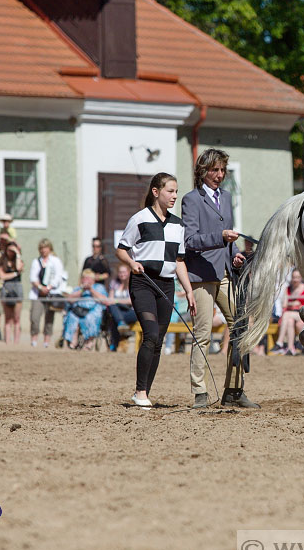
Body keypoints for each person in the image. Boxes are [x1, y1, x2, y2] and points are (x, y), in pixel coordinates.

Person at [181, 148, 255, 409]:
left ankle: (234, 390)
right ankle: (200, 391)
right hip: (201, 275)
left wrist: (235, 253)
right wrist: (220, 238)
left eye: (223, 170)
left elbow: (229, 239)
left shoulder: (226, 197)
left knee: (239, 327)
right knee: (202, 333)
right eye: (215, 170)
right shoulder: (191, 200)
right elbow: (190, 240)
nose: (220, 175)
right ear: (203, 171)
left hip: (224, 272)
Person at [116, 172, 196, 409]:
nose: (174, 196)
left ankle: (145, 392)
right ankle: (140, 391)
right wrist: (132, 263)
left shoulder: (178, 224)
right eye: (170, 191)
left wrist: (189, 291)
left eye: (176, 191)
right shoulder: (139, 219)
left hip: (167, 285)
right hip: (143, 283)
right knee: (150, 333)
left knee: (158, 340)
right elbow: (121, 249)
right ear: (156, 192)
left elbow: (179, 261)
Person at [28, 238, 65, 348]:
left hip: (51, 293)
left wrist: (49, 287)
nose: (43, 250)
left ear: (50, 248)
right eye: (42, 248)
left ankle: (46, 341)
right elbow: (32, 277)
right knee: (35, 317)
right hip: (38, 294)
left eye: (45, 248)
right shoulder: (36, 261)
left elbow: (58, 276)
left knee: (49, 318)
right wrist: (40, 287)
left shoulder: (55, 261)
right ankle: (34, 339)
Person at [61, 269, 108, 349]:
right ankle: (73, 340)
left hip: (93, 310)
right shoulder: (78, 289)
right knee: (72, 317)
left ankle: (89, 341)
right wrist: (82, 290)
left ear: (93, 279)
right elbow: (69, 299)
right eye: (84, 278)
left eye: (89, 278)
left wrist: (91, 290)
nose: (86, 280)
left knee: (90, 317)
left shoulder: (99, 287)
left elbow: (105, 301)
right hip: (78, 310)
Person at [272, 269, 304, 355]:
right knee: (289, 320)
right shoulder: (288, 289)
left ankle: (280, 342)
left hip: (301, 315)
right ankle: (290, 348)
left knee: (287, 315)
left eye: (297, 277)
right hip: (291, 315)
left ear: (301, 278)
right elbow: (284, 305)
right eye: (294, 277)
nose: (295, 279)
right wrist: (294, 303)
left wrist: (298, 305)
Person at [0, 241, 24, 344]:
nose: (10, 252)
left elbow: (19, 268)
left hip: (17, 289)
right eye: (9, 250)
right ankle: (7, 342)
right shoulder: (2, 261)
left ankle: (16, 343)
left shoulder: (19, 260)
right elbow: (2, 276)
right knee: (8, 318)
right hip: (6, 289)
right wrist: (15, 274)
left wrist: (17, 253)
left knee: (17, 318)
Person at [107, 264, 137, 352]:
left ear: (128, 273)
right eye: (120, 272)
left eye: (124, 272)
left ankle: (113, 344)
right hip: (117, 310)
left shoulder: (133, 283)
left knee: (114, 318)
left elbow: (131, 301)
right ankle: (121, 322)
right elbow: (110, 299)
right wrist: (115, 301)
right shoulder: (114, 283)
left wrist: (116, 301)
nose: (122, 274)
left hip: (130, 311)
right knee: (112, 306)